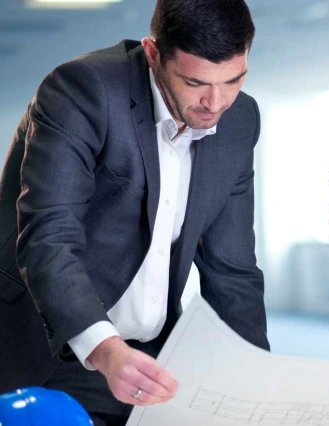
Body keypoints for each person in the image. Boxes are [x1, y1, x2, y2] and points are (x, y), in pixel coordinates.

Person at [0, 0, 270, 424]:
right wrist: (105, 349)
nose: (215, 103)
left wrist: (255, 379)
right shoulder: (82, 90)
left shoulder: (240, 120)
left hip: (149, 357)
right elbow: (48, 236)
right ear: (152, 54)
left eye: (234, 80)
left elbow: (233, 271)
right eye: (195, 82)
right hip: (51, 349)